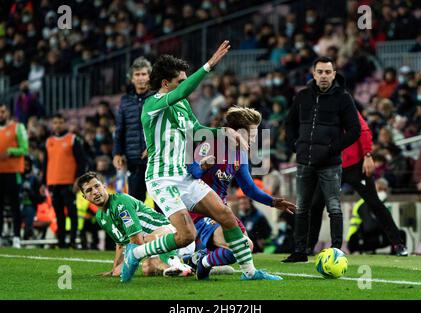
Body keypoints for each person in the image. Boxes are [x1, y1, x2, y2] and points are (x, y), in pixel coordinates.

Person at [130, 40, 293, 283]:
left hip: (202, 196)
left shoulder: (237, 151)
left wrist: (273, 201)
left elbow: (247, 185)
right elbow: (193, 167)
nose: (255, 136)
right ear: (166, 83)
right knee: (189, 236)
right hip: (175, 187)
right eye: (180, 81)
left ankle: (209, 263)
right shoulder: (155, 105)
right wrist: (208, 66)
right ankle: (153, 254)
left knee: (242, 242)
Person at [186, 106, 295, 269]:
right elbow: (190, 172)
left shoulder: (241, 154)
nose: (254, 138)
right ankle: (199, 258)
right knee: (238, 247)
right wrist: (202, 166)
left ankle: (201, 260)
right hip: (200, 209)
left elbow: (249, 188)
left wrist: (272, 202)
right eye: (251, 134)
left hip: (221, 210)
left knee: (247, 247)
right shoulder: (211, 144)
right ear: (238, 132)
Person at [283, 57, 361, 262]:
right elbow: (289, 123)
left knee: (333, 206)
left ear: (334, 74)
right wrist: (295, 145)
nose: (324, 76)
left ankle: (336, 251)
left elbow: (355, 130)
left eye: (328, 72)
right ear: (314, 73)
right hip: (304, 162)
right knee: (301, 206)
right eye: (320, 72)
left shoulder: (343, 98)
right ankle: (300, 251)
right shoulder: (302, 96)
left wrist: (332, 149)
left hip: (330, 163)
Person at [303, 112, 408, 257]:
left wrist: (367, 155)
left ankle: (398, 244)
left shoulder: (345, 104)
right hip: (332, 166)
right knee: (316, 204)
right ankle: (307, 247)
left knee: (375, 203)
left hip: (356, 166)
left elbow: (363, 130)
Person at [76, 172, 193, 277]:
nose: (95, 192)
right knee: (147, 268)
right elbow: (121, 244)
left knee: (145, 241)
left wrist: (127, 264)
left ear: (104, 186)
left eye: (97, 186)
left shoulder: (120, 203)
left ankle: (180, 263)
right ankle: (187, 266)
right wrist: (114, 270)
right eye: (89, 190)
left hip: (173, 234)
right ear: (84, 197)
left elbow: (137, 241)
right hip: (151, 246)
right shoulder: (100, 217)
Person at [43, 113, 86, 248]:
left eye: (60, 122)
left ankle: (73, 240)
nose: (58, 125)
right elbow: (45, 163)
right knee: (59, 213)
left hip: (69, 182)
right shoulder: (48, 141)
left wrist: (78, 180)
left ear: (65, 123)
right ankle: (61, 242)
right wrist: (43, 182)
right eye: (55, 122)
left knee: (72, 213)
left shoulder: (73, 139)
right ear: (52, 124)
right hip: (53, 182)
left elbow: (81, 162)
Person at [113, 57, 153, 202]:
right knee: (136, 203)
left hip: (156, 159)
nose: (141, 78)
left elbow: (164, 128)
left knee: (161, 204)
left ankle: (164, 226)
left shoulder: (158, 97)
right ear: (131, 78)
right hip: (134, 160)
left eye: (144, 74)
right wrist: (117, 153)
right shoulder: (125, 101)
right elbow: (120, 130)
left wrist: (152, 146)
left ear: (149, 76)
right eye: (137, 74)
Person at [345, 178, 407, 254]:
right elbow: (369, 226)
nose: (383, 192)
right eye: (380, 189)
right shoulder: (363, 204)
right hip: (357, 239)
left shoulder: (384, 204)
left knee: (400, 234)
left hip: (373, 235)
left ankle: (396, 256)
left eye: (385, 190)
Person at [0, 103, 28, 248]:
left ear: (8, 113)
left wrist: (10, 151)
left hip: (13, 173)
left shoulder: (18, 127)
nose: (1, 114)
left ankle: (17, 237)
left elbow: (25, 149)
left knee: (15, 206)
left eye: (3, 111)